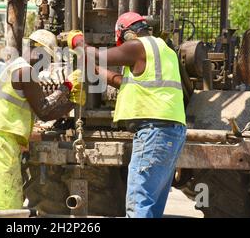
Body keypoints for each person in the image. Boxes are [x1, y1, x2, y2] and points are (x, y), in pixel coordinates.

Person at [67, 12, 186, 218]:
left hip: (153, 132)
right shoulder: (164, 50)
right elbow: (124, 82)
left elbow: (100, 55)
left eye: (122, 42)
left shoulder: (138, 46)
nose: (122, 47)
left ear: (128, 33)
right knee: (151, 204)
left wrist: (77, 42)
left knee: (138, 201)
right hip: (170, 132)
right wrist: (94, 69)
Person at [0, 29, 84, 210]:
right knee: (5, 204)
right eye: (47, 60)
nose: (46, 67)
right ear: (38, 52)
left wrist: (71, 103)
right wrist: (68, 89)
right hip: (0, 141)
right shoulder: (25, 71)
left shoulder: (14, 66)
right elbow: (44, 110)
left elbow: (43, 110)